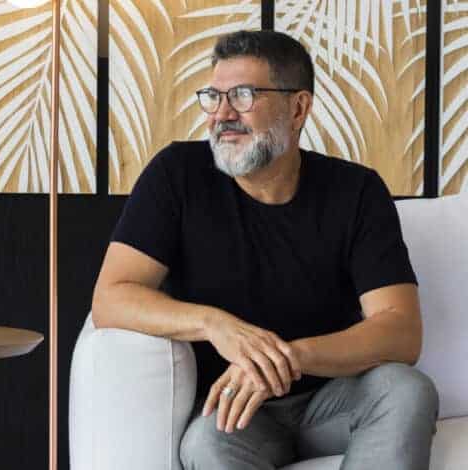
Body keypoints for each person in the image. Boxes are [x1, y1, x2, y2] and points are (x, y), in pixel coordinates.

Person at [91, 30, 438, 469]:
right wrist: (216, 325)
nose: (222, 114)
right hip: (238, 409)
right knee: (205, 443)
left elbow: (401, 332)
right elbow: (111, 297)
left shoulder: (357, 190)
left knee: (406, 390)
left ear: (298, 108)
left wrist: (289, 358)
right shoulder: (176, 175)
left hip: (333, 398)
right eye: (213, 97)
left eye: (242, 96)